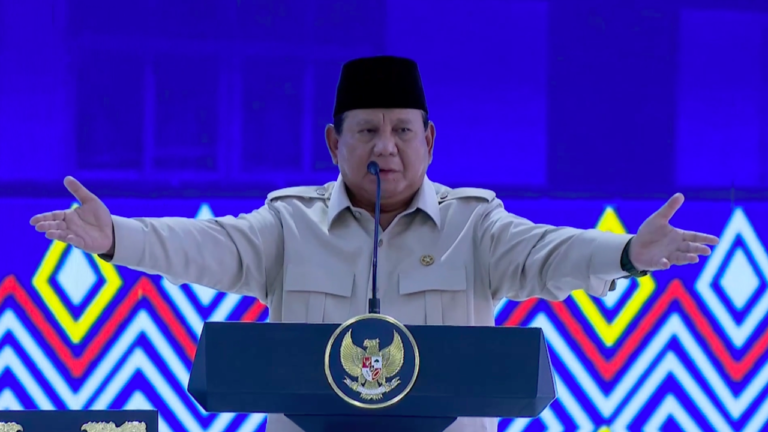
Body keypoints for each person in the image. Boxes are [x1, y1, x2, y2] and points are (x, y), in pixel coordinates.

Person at [30, 56, 719, 432]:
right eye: (366, 131)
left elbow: (547, 254)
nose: (384, 147)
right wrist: (116, 237)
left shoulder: (475, 224)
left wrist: (627, 254)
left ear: (430, 140)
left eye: (401, 130)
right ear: (335, 143)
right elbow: (209, 247)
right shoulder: (289, 223)